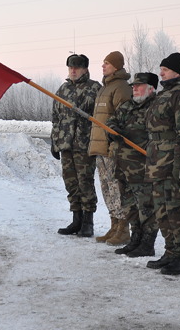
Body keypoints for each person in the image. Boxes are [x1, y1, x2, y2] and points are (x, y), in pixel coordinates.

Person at [144, 52, 180, 275]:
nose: (161, 73)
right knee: (162, 210)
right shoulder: (165, 93)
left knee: (176, 210)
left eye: (165, 70)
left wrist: (179, 165)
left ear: (177, 71)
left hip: (171, 163)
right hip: (157, 161)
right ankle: (170, 252)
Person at [106, 72, 159, 257]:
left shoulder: (155, 107)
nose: (134, 88)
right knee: (129, 206)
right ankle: (135, 238)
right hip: (122, 166)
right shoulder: (127, 106)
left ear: (151, 88)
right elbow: (111, 119)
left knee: (146, 207)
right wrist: (113, 130)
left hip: (142, 168)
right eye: (133, 85)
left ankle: (147, 243)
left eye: (139, 85)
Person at [51, 54, 102, 237]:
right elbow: (56, 118)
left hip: (84, 144)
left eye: (77, 67)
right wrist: (55, 141)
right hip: (66, 144)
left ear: (85, 69)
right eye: (70, 67)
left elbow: (102, 117)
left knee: (85, 182)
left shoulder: (94, 89)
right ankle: (76, 219)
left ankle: (88, 222)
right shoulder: (63, 90)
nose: (73, 71)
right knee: (70, 182)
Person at [88, 51, 132, 245]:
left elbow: (123, 118)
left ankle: (123, 229)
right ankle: (114, 225)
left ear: (116, 66)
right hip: (100, 148)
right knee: (106, 189)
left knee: (116, 189)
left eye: (107, 63)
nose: (103, 66)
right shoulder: (104, 88)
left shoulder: (121, 87)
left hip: (112, 149)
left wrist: (116, 142)